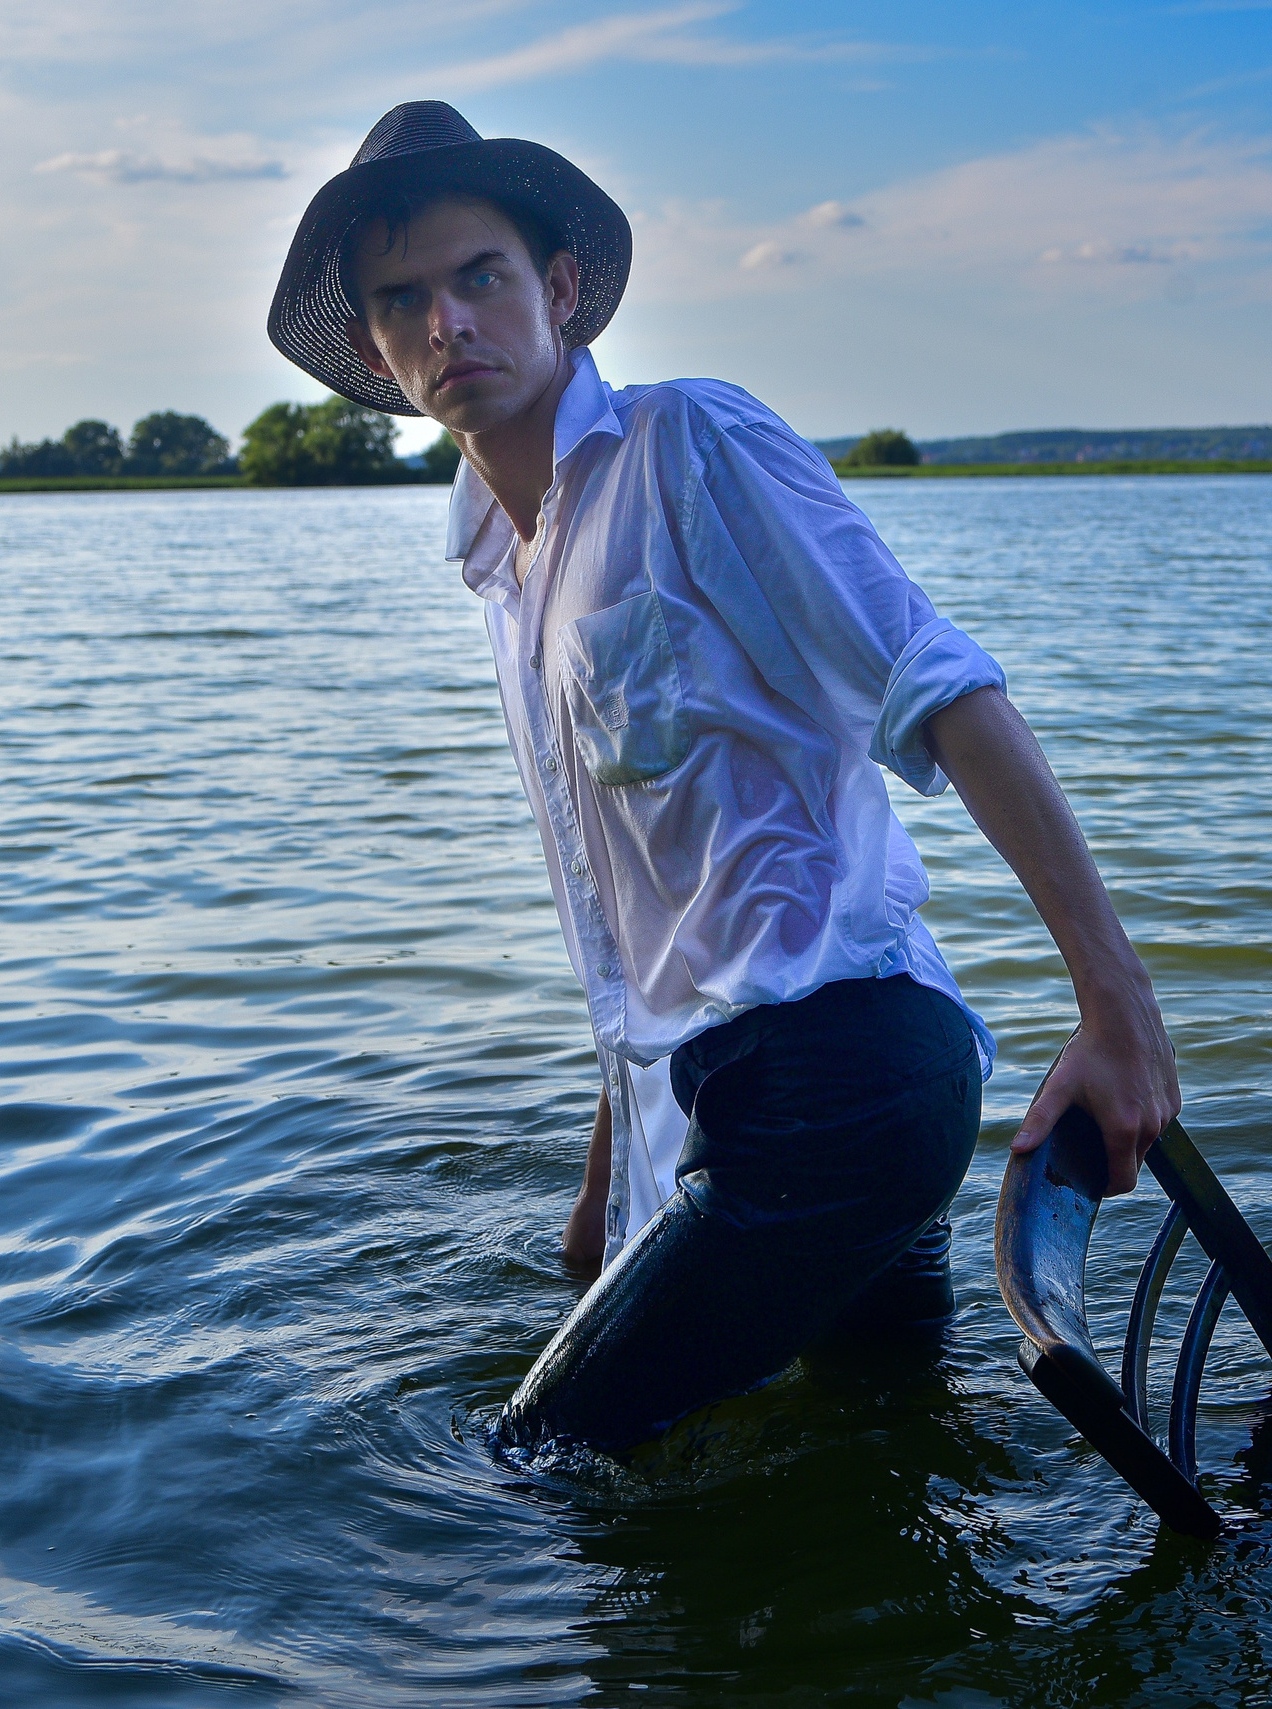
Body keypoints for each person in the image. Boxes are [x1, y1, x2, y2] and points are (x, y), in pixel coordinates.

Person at [266, 102, 1178, 1451]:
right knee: (885, 1467)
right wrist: (607, 1187)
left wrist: (1118, 1009)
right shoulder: (503, 574)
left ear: (559, 290)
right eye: (406, 299)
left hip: (842, 1082)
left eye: (482, 278)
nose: (448, 322)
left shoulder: (688, 448)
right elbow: (637, 914)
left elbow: (946, 683)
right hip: (738, 1099)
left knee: (538, 1462)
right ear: (376, 349)